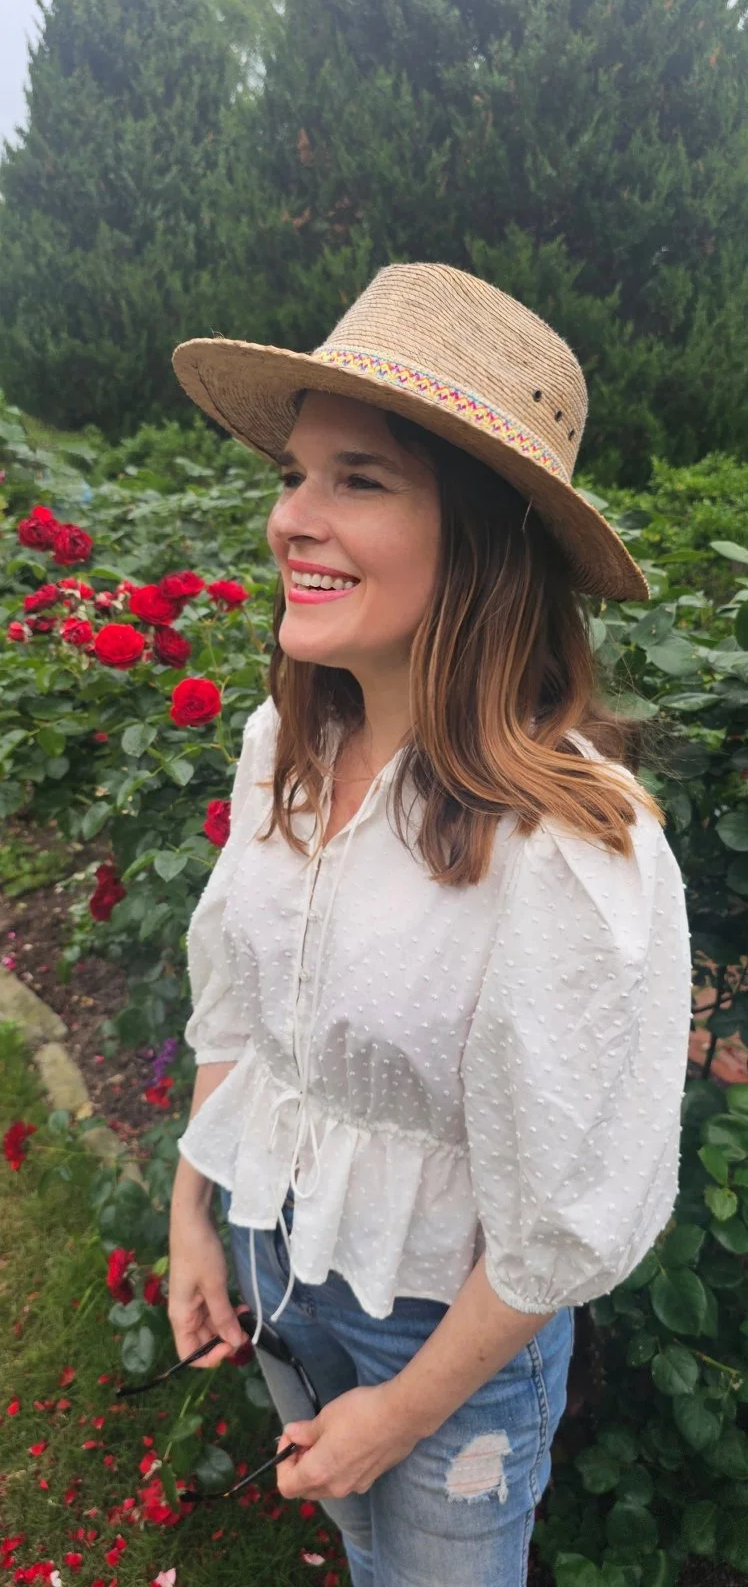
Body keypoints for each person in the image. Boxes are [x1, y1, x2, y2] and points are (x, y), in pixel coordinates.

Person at [166, 262, 692, 1587]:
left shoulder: (571, 848)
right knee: (359, 1543)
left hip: (445, 1339)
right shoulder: (282, 740)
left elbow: (562, 1218)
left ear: (483, 533)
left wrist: (399, 1416)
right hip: (276, 1245)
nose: (293, 517)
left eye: (359, 478)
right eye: (294, 474)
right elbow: (239, 1004)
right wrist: (196, 1211)